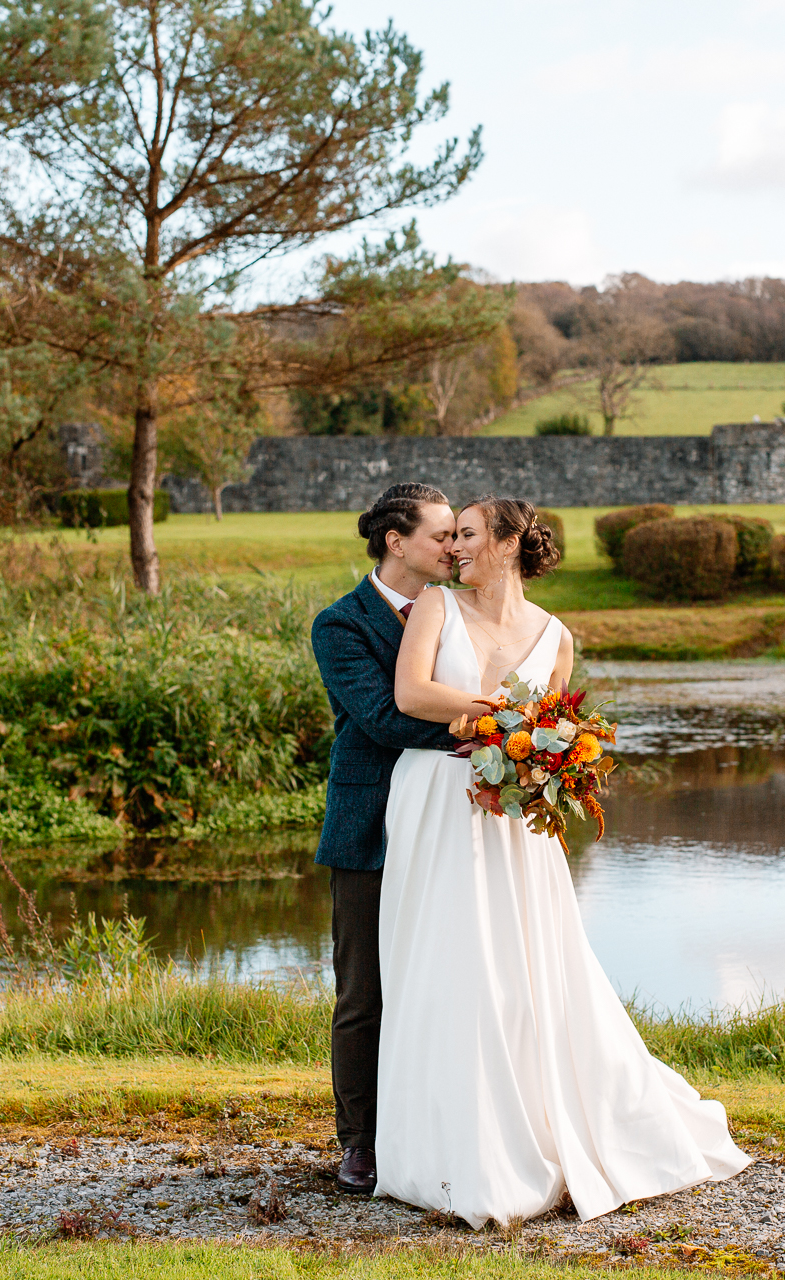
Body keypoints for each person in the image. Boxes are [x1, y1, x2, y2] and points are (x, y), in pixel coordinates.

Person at [373, 496, 750, 1228]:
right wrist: (499, 719)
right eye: (451, 538)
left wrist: (536, 758)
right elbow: (410, 693)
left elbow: (558, 729)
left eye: (470, 535)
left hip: (512, 816)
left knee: (525, 966)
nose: (455, 548)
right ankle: (444, 1147)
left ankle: (538, 1132)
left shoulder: (557, 636)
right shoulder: (435, 608)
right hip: (434, 799)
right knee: (442, 960)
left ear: (509, 543)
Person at [308, 482, 460, 1196]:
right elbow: (381, 717)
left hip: (453, 827)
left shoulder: (460, 614)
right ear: (396, 541)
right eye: (441, 535)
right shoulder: (339, 625)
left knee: (444, 987)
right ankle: (359, 1143)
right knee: (363, 991)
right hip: (369, 827)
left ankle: (435, 1132)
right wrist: (497, 735)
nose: (453, 547)